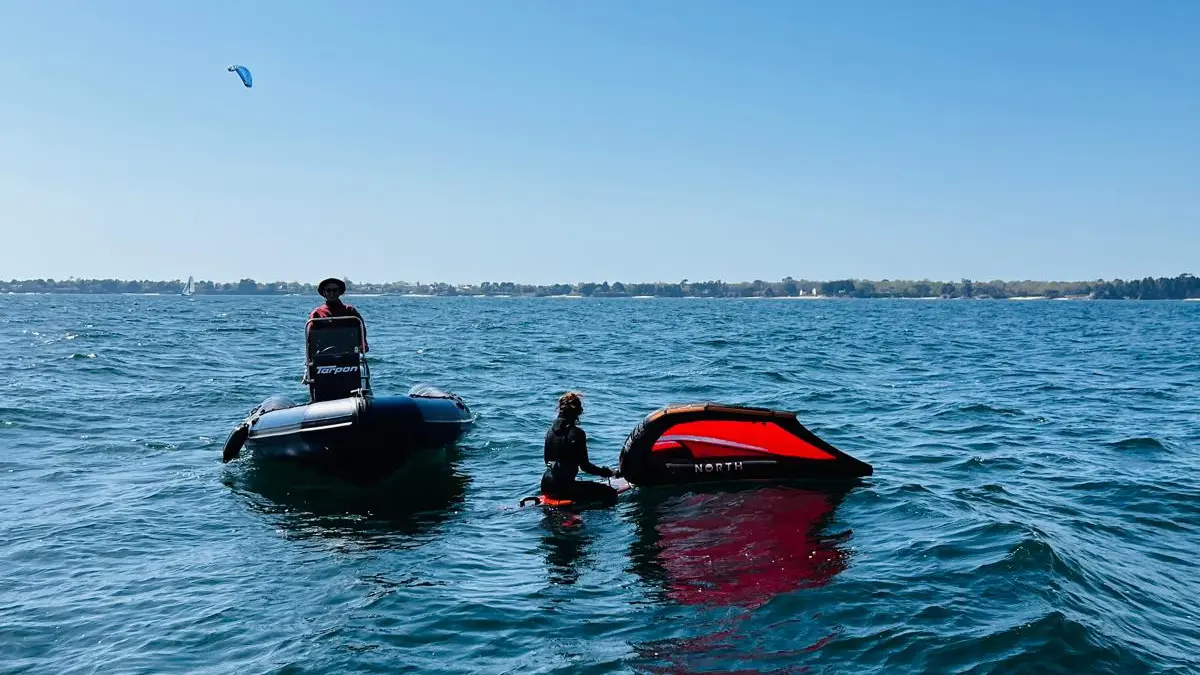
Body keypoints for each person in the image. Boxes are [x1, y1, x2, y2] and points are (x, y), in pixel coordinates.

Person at [541, 392, 618, 506]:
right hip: (564, 488)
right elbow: (585, 467)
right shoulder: (577, 433)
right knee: (610, 493)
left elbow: (547, 461)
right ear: (578, 412)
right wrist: (607, 472)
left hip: (546, 485)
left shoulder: (549, 432)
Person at [309, 277, 369, 352]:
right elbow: (310, 338)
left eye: (335, 290)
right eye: (328, 290)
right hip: (324, 354)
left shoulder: (350, 311)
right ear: (324, 292)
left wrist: (363, 345)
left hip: (348, 353)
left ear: (339, 292)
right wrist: (311, 358)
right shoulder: (317, 313)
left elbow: (361, 329)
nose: (332, 293)